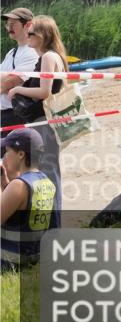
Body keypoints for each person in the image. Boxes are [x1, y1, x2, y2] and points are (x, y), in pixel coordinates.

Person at [6, 15, 69, 223]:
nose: (28, 35)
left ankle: (54, 225)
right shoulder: (51, 56)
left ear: (44, 35)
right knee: (48, 170)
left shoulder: (49, 57)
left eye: (32, 32)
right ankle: (50, 224)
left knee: (49, 172)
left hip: (45, 121)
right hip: (44, 121)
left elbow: (44, 91)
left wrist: (17, 89)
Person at [1, 128, 55, 271]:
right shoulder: (46, 182)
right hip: (32, 257)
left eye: (7, 151)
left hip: (9, 261)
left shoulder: (18, 186)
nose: (5, 156)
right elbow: (24, 210)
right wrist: (4, 183)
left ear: (20, 154)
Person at [1, 9, 39, 128]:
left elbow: (5, 83)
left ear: (27, 25)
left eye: (13, 24)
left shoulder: (32, 52)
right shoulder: (11, 52)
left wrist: (6, 85)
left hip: (17, 116)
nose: (8, 27)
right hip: (6, 114)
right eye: (7, 24)